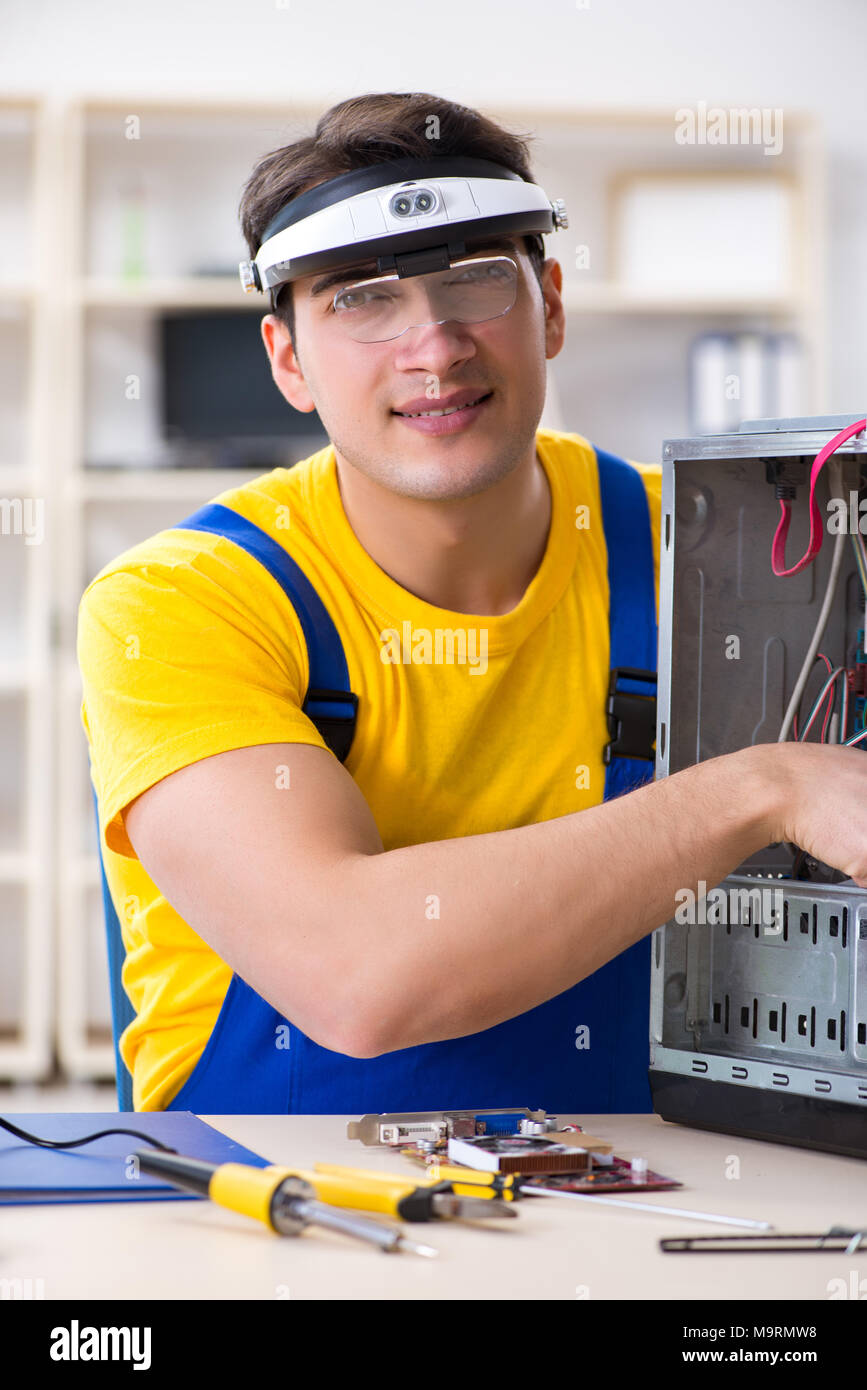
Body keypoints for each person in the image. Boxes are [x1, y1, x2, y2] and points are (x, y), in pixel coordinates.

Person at [78, 92, 867, 1114]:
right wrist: (762, 788)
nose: (435, 347)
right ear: (286, 360)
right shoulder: (178, 603)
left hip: (648, 1187)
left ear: (553, 306)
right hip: (288, 1206)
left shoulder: (716, 549)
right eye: (360, 299)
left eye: (477, 281)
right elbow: (354, 977)